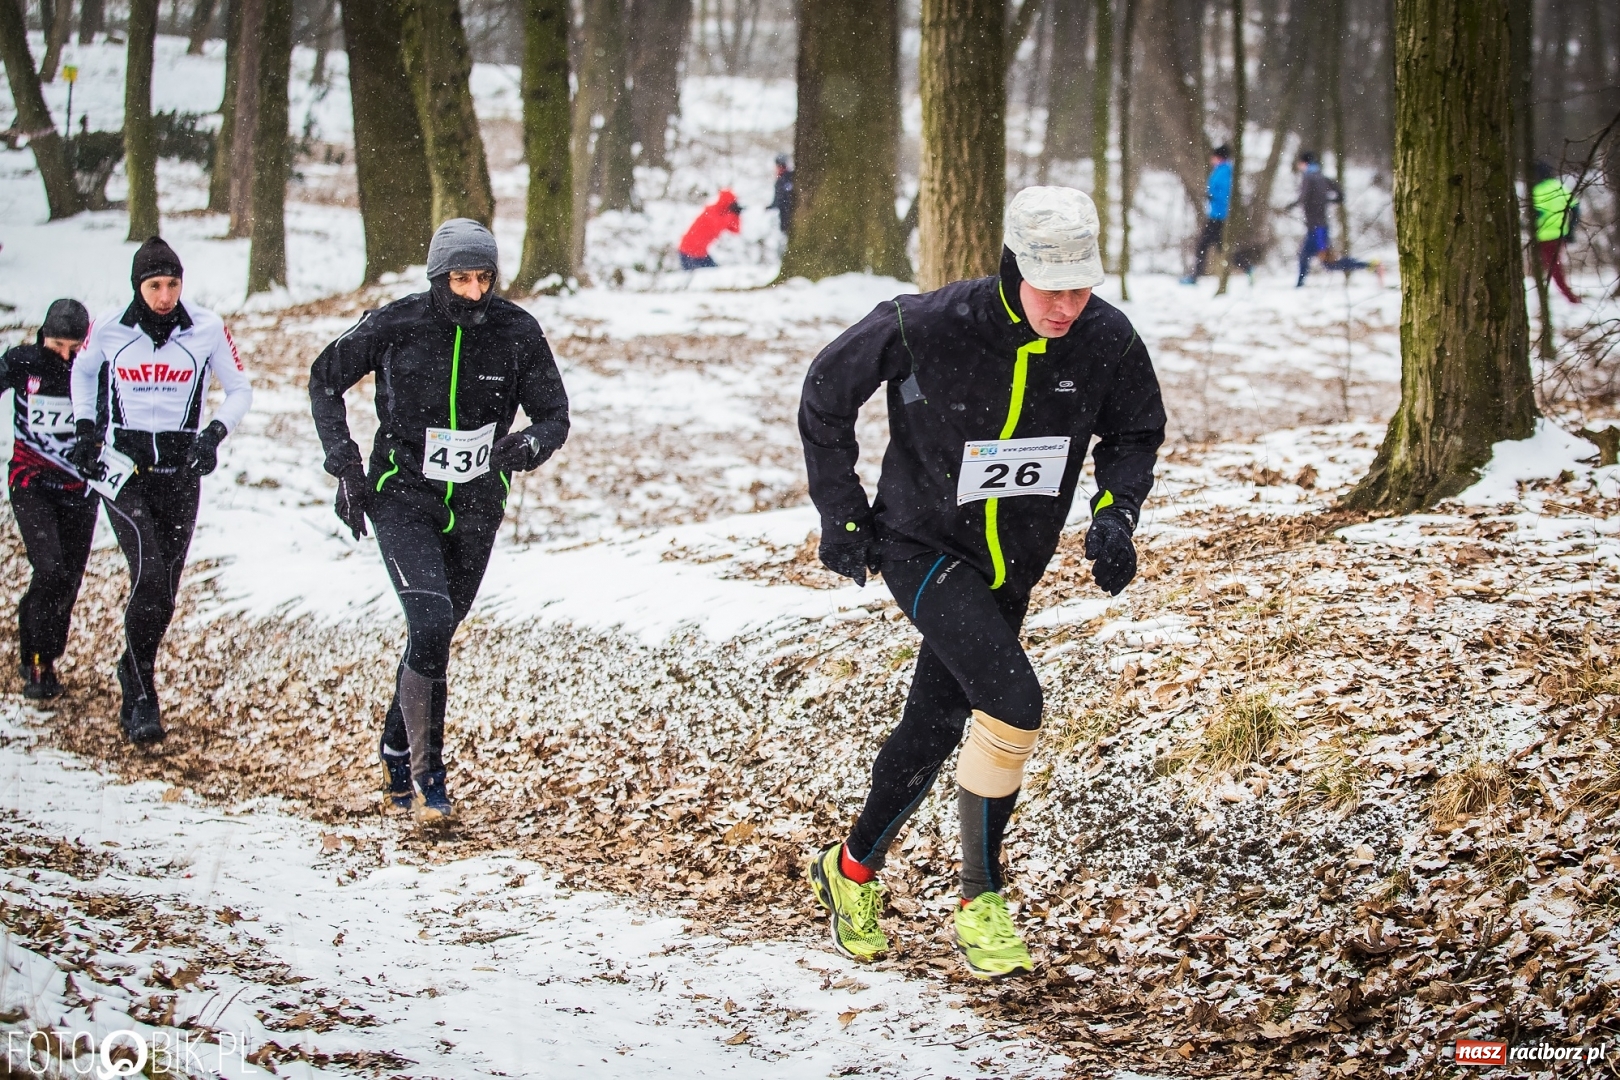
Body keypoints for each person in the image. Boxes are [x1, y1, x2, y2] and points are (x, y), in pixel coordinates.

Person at [798, 186, 1165, 979]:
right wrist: (842, 513)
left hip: (1013, 565)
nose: (1068, 306)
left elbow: (1135, 430)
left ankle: (851, 868)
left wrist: (1114, 514)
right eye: (1052, 287)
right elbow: (825, 398)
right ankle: (981, 899)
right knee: (1013, 699)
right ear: (1013, 267)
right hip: (921, 545)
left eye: (1082, 287)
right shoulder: (926, 324)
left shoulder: (1106, 338)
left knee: (932, 727)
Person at [309, 219, 569, 824]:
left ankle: (398, 740)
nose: (473, 293)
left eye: (483, 279)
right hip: (402, 493)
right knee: (429, 618)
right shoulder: (398, 323)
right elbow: (326, 380)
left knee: (437, 631)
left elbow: (554, 414)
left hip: (478, 501)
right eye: (460, 279)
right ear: (437, 278)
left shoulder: (517, 331)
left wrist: (527, 446)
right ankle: (427, 776)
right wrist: (345, 465)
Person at [68, 238, 254, 745]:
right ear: (138, 286)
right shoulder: (109, 328)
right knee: (148, 571)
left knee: (165, 592)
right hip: (123, 470)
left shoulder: (207, 328)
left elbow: (240, 389)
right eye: (155, 286)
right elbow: (82, 373)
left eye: (173, 284)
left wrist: (214, 434)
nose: (166, 295)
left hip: (179, 474)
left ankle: (131, 666)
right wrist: (87, 430)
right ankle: (142, 692)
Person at [3, 299, 94, 699]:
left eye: (74, 348)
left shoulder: (95, 369)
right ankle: (35, 660)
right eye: (57, 345)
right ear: (43, 336)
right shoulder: (24, 362)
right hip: (31, 480)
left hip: (81, 488)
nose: (64, 355)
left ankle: (48, 655)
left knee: (69, 578)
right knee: (50, 568)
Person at [1290, 151, 1372, 286]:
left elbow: (1303, 198)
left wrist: (1291, 205)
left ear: (1304, 163)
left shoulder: (1308, 178)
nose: (1299, 167)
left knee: (1328, 263)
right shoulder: (1322, 177)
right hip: (1320, 227)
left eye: (1300, 164)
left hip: (1317, 229)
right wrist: (1327, 200)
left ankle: (1371, 266)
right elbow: (1340, 195)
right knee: (1308, 257)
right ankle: (1299, 285)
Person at [1532, 159, 1581, 304]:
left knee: (1554, 269)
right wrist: (1571, 230)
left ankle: (1570, 298)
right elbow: (1576, 208)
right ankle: (1547, 296)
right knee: (1553, 267)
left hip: (1544, 236)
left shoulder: (1537, 191)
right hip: (1560, 234)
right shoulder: (1560, 187)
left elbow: (1535, 214)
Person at [1181, 145, 1231, 283]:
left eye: (1213, 156)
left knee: (1203, 245)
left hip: (1219, 216)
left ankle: (1195, 276)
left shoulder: (1225, 171)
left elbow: (1225, 193)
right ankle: (1246, 267)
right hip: (1217, 214)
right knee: (1221, 247)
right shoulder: (1221, 170)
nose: (1211, 159)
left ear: (1219, 157)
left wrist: (1213, 196)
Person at [678, 189, 742, 270]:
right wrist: (732, 214)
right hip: (688, 251)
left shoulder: (724, 215)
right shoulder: (711, 212)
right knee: (698, 279)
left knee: (714, 275)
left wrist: (737, 216)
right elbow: (718, 224)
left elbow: (735, 230)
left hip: (700, 253)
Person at [766, 155, 794, 235]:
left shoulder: (788, 177)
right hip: (784, 215)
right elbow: (778, 198)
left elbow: (782, 197)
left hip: (789, 214)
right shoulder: (780, 179)